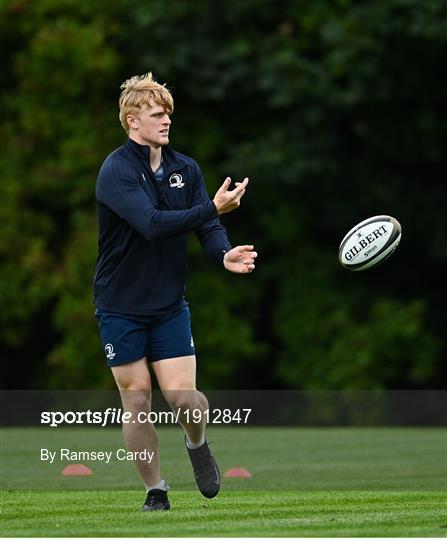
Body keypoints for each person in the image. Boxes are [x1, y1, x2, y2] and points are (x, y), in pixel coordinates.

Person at [93, 72, 257, 511]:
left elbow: (205, 225)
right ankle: (156, 490)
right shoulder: (116, 171)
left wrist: (222, 253)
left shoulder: (185, 169)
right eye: (156, 113)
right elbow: (150, 224)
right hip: (120, 306)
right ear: (132, 121)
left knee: (184, 398)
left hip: (168, 305)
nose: (166, 120)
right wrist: (212, 207)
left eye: (168, 113)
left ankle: (197, 441)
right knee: (139, 398)